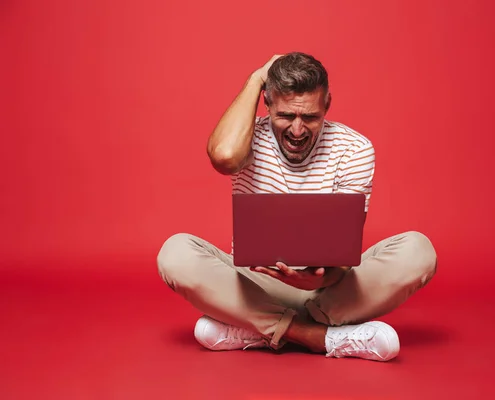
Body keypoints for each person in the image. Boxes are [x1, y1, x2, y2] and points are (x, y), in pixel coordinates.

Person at [157, 52, 437, 362]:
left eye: (311, 117)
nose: (298, 130)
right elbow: (224, 157)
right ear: (268, 103)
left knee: (418, 250)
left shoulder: (354, 149)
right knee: (175, 252)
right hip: (255, 284)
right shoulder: (248, 140)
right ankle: (317, 336)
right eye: (286, 116)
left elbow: (343, 256)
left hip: (328, 292)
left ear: (327, 104)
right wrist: (255, 78)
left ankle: (259, 328)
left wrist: (321, 279)